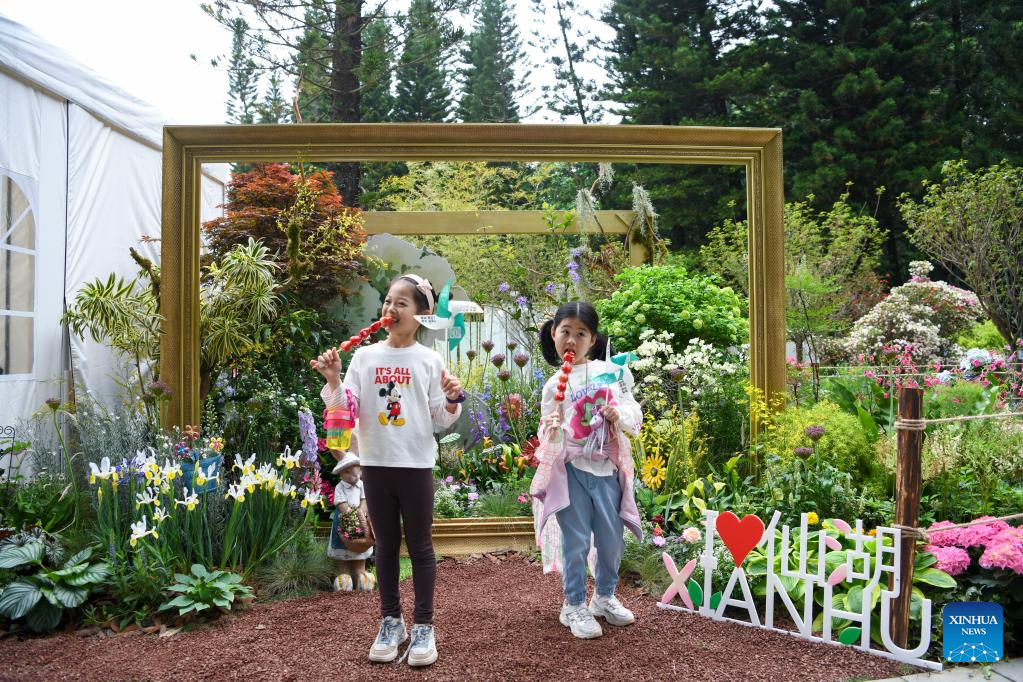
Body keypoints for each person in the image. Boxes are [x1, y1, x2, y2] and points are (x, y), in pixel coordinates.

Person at [310, 274, 464, 667]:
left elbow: (441, 417)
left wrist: (452, 399)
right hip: (376, 466)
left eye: (402, 303)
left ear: (421, 314)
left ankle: (424, 626)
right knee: (386, 547)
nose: (390, 309)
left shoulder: (429, 360)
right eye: (388, 301)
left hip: (415, 465)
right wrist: (333, 378)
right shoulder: (365, 357)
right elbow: (347, 408)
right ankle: (391, 622)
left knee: (421, 547)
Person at [531, 301, 643, 640]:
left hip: (607, 470)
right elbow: (546, 430)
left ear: (593, 340)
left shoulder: (611, 372)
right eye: (565, 331)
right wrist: (551, 429)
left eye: (581, 333)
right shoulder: (554, 385)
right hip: (572, 473)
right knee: (576, 541)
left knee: (611, 541)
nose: (572, 339)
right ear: (554, 334)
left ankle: (604, 597)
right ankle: (574, 604)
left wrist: (618, 414)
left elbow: (632, 411)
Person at [328, 451, 375, 592]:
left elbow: (364, 500)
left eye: (357, 470)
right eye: (347, 472)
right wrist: (350, 515)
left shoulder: (362, 485)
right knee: (342, 546)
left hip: (361, 520)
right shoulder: (340, 487)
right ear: (341, 473)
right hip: (345, 520)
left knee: (361, 544)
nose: (354, 475)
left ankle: (360, 574)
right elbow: (341, 504)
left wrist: (361, 511)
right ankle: (343, 575)